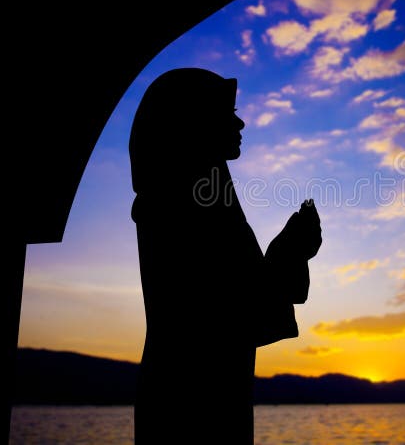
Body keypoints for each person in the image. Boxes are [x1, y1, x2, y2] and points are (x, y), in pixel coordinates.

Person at [128, 68, 322, 443]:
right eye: (226, 111)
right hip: (193, 406)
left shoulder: (197, 195)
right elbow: (230, 311)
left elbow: (236, 302)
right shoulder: (184, 201)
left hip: (195, 397)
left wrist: (289, 250)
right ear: (191, 121)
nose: (240, 121)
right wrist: (292, 250)